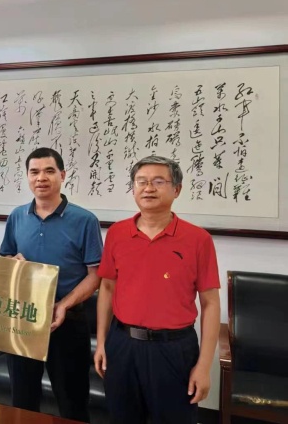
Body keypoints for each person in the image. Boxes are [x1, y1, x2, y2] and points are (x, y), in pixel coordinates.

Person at [94, 155, 221, 424]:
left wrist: (204, 366)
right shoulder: (117, 233)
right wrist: (102, 342)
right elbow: (107, 287)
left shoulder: (198, 239)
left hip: (174, 349)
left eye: (158, 181)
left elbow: (210, 303)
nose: (148, 188)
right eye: (141, 181)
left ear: (177, 189)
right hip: (122, 344)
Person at [0, 147, 102, 422]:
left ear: (62, 175)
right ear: (27, 176)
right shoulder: (17, 216)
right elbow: (5, 257)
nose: (41, 178)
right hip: (22, 319)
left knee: (72, 402)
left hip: (67, 321)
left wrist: (63, 305)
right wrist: (12, 261)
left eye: (49, 171)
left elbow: (95, 275)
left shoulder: (85, 220)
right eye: (34, 172)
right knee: (22, 401)